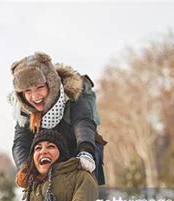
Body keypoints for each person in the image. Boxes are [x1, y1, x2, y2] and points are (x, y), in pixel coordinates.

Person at [9, 52, 107, 186]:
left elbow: (83, 122)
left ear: (51, 84)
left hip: (79, 150)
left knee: (81, 188)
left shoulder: (72, 95)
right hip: (50, 160)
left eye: (40, 87)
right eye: (28, 91)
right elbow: (21, 142)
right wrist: (25, 168)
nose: (35, 96)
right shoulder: (25, 112)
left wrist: (86, 151)